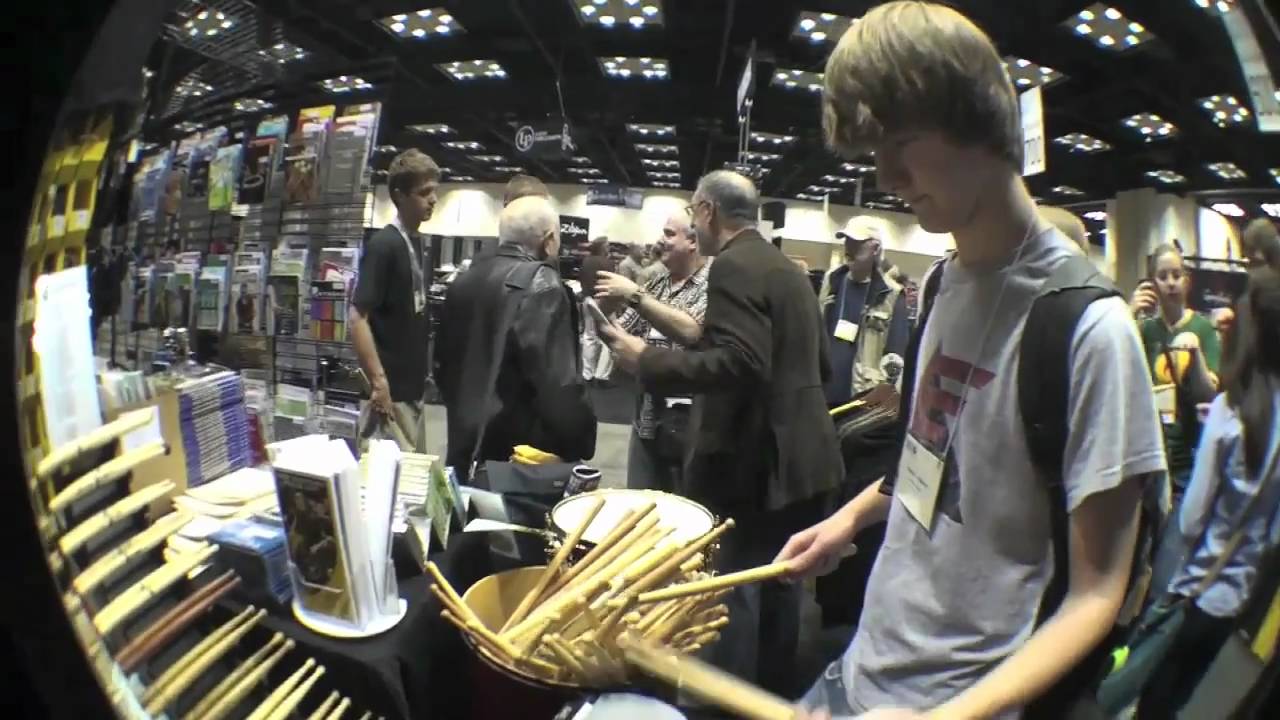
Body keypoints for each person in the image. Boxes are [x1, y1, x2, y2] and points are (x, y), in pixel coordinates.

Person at [779, 3, 1166, 717]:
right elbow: (931, 467)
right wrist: (851, 521)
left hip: (968, 700)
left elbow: (1096, 596)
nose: (887, 174)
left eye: (903, 141)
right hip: (864, 668)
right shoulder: (941, 282)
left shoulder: (1091, 331)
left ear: (979, 122)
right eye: (874, 152)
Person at [600, 170, 842, 695]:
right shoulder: (784, 269)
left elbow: (740, 364)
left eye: (692, 212)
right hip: (806, 461)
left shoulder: (731, 266)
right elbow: (811, 359)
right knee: (782, 595)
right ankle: (771, 697)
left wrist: (647, 359)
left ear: (707, 211)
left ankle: (724, 702)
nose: (690, 221)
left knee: (733, 595)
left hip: (759, 467)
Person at [1138, 256, 1280, 718]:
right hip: (1238, 596)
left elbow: (1194, 516)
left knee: (1153, 690)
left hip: (1193, 588)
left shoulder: (1230, 410)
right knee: (1188, 693)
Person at [437, 195, 596, 480]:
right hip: (518, 459)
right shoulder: (543, 285)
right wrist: (581, 438)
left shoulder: (463, 280)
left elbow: (441, 364)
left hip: (464, 443)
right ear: (549, 240)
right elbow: (557, 385)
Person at [594, 214, 710, 493]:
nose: (660, 240)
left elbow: (692, 331)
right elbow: (622, 334)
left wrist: (635, 295)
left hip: (690, 426)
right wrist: (603, 312)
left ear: (693, 241)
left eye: (670, 234)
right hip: (646, 417)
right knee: (640, 501)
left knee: (683, 508)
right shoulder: (658, 284)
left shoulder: (712, 284)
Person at [349, 150, 438, 453]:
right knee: (387, 484)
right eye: (424, 193)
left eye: (434, 191)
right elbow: (357, 317)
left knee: (412, 478)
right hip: (389, 393)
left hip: (412, 389)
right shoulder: (384, 246)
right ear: (399, 196)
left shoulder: (415, 242)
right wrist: (378, 382)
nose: (433, 200)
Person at [1131, 243, 1221, 495]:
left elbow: (1209, 396)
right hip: (1150, 455)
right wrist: (1129, 314)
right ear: (1152, 285)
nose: (1171, 283)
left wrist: (1196, 355)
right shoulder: (1145, 329)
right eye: (1162, 277)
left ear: (1187, 281)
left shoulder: (1203, 329)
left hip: (1190, 460)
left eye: (1176, 275)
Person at [819, 215, 910, 407]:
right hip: (821, 392)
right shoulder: (832, 280)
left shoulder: (891, 295)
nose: (849, 248)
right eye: (847, 241)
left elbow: (895, 356)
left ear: (876, 249)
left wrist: (880, 394)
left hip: (860, 398)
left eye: (857, 243)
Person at [580, 237, 617, 382]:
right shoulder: (607, 263)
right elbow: (610, 285)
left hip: (587, 300)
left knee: (589, 337)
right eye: (607, 245)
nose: (609, 248)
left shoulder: (586, 261)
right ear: (602, 247)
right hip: (603, 301)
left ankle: (587, 373)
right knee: (608, 338)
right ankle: (601, 375)